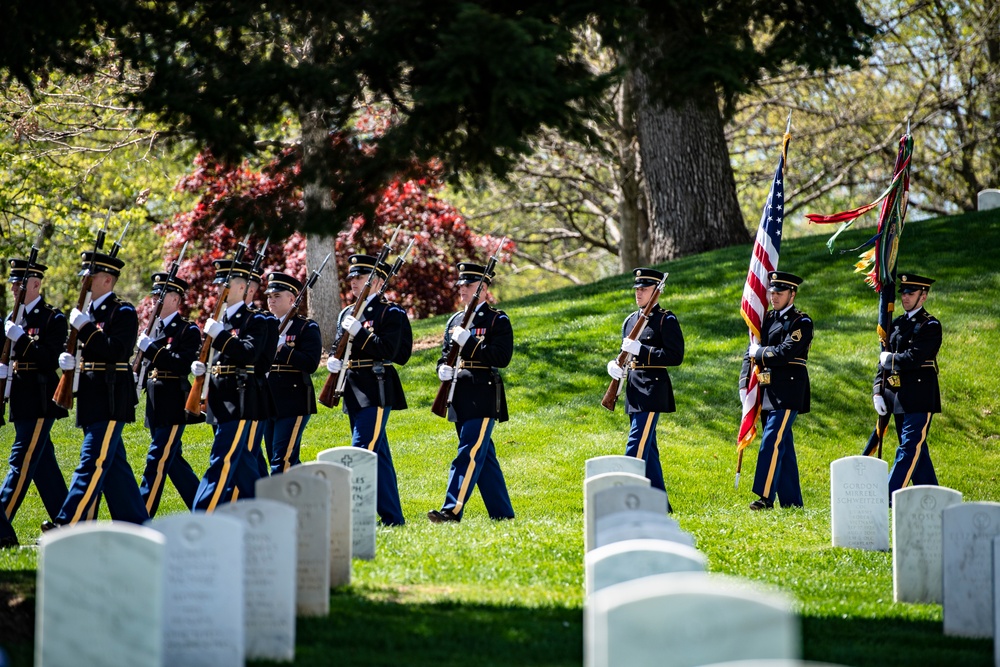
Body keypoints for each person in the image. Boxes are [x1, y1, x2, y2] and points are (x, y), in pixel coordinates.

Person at [44, 252, 148, 529]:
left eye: (90, 277)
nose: (85, 283)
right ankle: (137, 524)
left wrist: (86, 328)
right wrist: (69, 361)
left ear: (107, 279)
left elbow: (118, 351)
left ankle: (68, 523)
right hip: (91, 397)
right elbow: (85, 351)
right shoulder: (87, 313)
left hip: (112, 397)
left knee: (92, 462)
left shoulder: (122, 312)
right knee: (114, 468)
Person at [326, 254, 411, 526]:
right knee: (378, 455)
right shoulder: (346, 312)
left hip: (376, 386)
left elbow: (391, 351)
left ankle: (351, 516)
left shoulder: (390, 313)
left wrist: (360, 332)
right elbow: (339, 345)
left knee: (361, 449)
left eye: (359, 277)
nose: (353, 282)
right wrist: (333, 359)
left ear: (375, 282)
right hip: (352, 386)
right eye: (352, 277)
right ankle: (393, 518)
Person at [427, 261, 514, 524]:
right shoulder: (454, 320)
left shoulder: (497, 319)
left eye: (469, 285)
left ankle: (451, 510)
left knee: (468, 452)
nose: (463, 289)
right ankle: (503, 515)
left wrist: (471, 343)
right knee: (483, 457)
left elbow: (501, 357)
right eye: (461, 285)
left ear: (484, 289)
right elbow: (445, 355)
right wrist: (442, 368)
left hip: (483, 394)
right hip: (459, 395)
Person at [0, 258, 69, 546]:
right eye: (13, 282)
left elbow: (49, 358)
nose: (14, 287)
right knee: (43, 467)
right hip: (20, 398)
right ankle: (70, 525)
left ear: (36, 284)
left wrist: (23, 340)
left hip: (41, 398)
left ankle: (1, 524)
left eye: (20, 282)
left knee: (21, 461)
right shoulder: (11, 319)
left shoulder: (52, 318)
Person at [190, 260, 267, 512]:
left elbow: (249, 354)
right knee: (243, 464)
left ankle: (201, 516)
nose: (219, 289)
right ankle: (271, 513)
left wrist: (220, 335)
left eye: (226, 284)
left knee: (222, 459)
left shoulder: (255, 320)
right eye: (218, 284)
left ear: (243, 288)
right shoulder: (218, 319)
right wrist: (202, 367)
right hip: (218, 398)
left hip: (240, 399)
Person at [605, 267, 684, 510]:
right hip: (633, 391)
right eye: (637, 289)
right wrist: (614, 367)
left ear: (657, 292)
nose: (639, 293)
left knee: (636, 445)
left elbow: (675, 356)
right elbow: (624, 355)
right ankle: (662, 507)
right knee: (648, 452)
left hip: (653, 390)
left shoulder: (666, 320)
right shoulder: (630, 320)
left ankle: (625, 500)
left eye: (644, 289)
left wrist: (643, 350)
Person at [739, 271, 812, 511]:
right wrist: (743, 383)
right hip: (767, 389)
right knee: (784, 445)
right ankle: (792, 503)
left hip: (789, 390)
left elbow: (785, 352)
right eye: (772, 292)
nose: (774, 296)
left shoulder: (801, 322)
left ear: (793, 294)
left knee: (771, 440)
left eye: (780, 292)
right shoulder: (766, 318)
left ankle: (765, 497)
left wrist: (759, 354)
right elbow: (749, 349)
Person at [134, 271, 202, 516]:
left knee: (157, 459)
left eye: (161, 295)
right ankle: (204, 508)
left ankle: (141, 515)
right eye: (153, 295)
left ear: (176, 300)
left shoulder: (187, 330)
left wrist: (151, 349)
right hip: (154, 402)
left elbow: (181, 365)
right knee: (172, 462)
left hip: (174, 401)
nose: (154, 300)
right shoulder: (151, 330)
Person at [870, 273, 940, 497]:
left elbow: (914, 357)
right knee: (917, 451)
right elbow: (883, 362)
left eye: (911, 293)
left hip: (919, 395)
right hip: (897, 397)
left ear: (923, 296)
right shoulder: (898, 323)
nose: (905, 297)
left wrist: (890, 360)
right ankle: (934, 497)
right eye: (903, 293)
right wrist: (877, 392)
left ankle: (889, 496)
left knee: (909, 447)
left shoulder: (930, 325)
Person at [226, 264, 277, 499]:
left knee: (245, 453)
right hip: (226, 396)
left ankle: (256, 503)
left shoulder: (262, 321)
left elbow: (258, 362)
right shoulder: (226, 319)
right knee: (246, 457)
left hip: (251, 395)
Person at [263, 272, 321, 472]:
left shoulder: (306, 327)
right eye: (269, 296)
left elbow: (311, 364)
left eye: (277, 296)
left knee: (282, 461)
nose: (271, 300)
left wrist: (284, 350)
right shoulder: (264, 326)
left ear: (291, 299)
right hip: (267, 400)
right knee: (276, 457)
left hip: (293, 401)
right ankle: (312, 496)